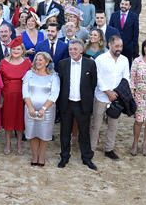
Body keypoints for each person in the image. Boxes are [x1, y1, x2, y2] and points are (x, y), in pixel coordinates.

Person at [55, 39, 98, 169]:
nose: (72, 51)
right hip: (66, 103)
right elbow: (60, 83)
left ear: (81, 50)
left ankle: (86, 158)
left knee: (84, 132)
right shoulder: (62, 64)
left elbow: (93, 83)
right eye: (70, 49)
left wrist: (86, 98)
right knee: (65, 132)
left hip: (82, 103)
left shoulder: (90, 64)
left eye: (75, 49)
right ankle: (64, 157)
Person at [92, 35, 130, 161]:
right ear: (110, 45)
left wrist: (117, 93)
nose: (119, 49)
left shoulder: (124, 60)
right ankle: (91, 148)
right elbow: (97, 77)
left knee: (113, 125)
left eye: (121, 46)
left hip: (116, 98)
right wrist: (107, 91)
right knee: (95, 125)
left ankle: (109, 149)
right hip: (101, 96)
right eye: (117, 46)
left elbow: (126, 78)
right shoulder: (101, 59)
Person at [23, 52, 60, 167]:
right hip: (30, 109)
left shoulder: (54, 76)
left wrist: (44, 108)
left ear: (47, 62)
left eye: (41, 60)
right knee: (32, 133)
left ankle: (42, 156)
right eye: (36, 60)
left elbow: (54, 94)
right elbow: (25, 92)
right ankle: (34, 156)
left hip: (47, 110)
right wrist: (30, 107)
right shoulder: (29, 74)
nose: (38, 62)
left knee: (44, 134)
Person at [0, 37, 31, 155]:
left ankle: (19, 143)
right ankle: (7, 142)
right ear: (10, 50)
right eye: (13, 49)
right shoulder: (3, 62)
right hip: (7, 95)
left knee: (20, 120)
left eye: (18, 49)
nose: (16, 51)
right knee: (8, 119)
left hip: (22, 96)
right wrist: (0, 98)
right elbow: (0, 80)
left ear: (22, 50)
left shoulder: (27, 62)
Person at [109, 0, 139, 66]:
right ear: (120, 4)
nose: (123, 6)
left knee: (127, 65)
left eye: (126, 4)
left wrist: (132, 46)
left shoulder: (134, 16)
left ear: (129, 6)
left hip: (128, 47)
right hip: (115, 46)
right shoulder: (114, 15)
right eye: (122, 4)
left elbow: (136, 33)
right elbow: (110, 30)